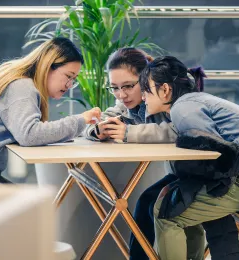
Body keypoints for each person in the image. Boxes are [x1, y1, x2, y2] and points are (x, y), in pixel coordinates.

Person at [139, 56, 239, 259]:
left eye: (147, 90)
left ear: (165, 89)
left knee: (166, 212)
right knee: (179, 204)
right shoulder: (196, 101)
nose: (143, 97)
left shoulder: (182, 110)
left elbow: (213, 157)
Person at [85, 48, 204, 260]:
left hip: (203, 173)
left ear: (146, 79)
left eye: (128, 86)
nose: (121, 95)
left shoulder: (172, 98)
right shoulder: (127, 102)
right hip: (180, 173)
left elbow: (177, 130)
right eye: (114, 88)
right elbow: (105, 117)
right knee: (146, 204)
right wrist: (97, 129)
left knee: (152, 204)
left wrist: (129, 132)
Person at [0, 37, 101, 184]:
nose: (70, 85)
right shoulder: (22, 86)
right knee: (31, 210)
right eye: (68, 76)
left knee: (31, 207)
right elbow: (29, 134)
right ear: (48, 66)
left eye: (74, 79)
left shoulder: (18, 81)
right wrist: (80, 120)